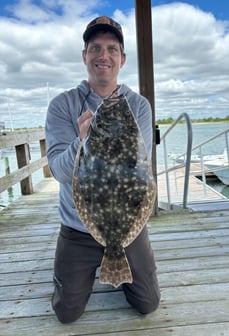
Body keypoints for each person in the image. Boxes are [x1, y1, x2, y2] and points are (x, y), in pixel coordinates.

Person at [45, 16, 160, 324]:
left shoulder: (138, 106)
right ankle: (76, 270)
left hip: (125, 226)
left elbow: (140, 171)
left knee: (148, 304)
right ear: (85, 55)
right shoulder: (62, 105)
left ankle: (117, 267)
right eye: (95, 47)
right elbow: (58, 170)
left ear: (122, 59)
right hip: (78, 227)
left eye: (112, 48)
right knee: (66, 313)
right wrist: (81, 142)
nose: (103, 55)